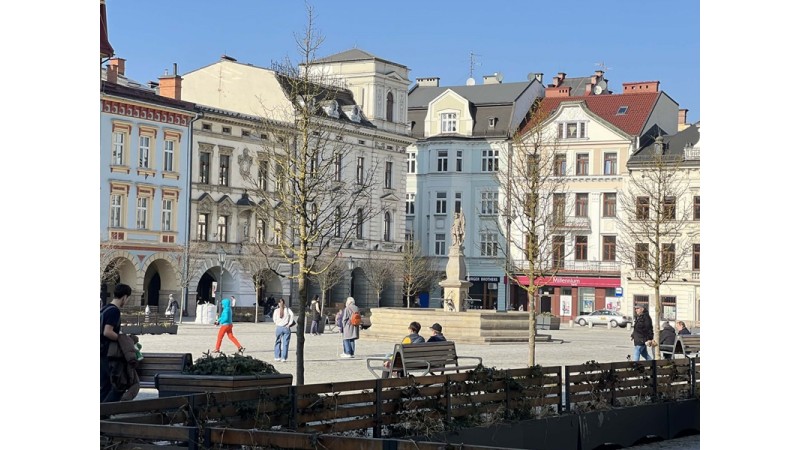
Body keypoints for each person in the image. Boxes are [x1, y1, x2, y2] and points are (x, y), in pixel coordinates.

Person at [101, 283, 131, 402]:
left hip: (101, 352)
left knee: (104, 387)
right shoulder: (114, 311)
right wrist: (122, 339)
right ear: (124, 297)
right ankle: (106, 411)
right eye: (127, 299)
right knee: (114, 386)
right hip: (107, 354)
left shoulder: (104, 309)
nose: (127, 302)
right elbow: (107, 332)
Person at [272, 298, 295, 362]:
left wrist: (277, 323)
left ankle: (277, 356)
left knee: (278, 342)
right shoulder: (287, 310)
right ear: (284, 303)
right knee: (285, 343)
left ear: (278, 304)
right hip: (286, 327)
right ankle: (283, 358)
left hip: (279, 327)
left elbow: (274, 319)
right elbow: (292, 315)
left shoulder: (276, 310)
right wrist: (289, 323)